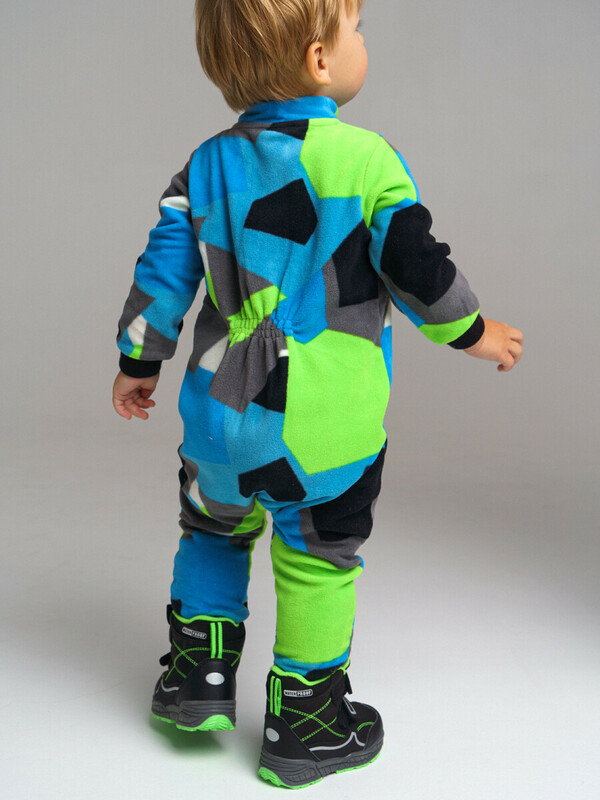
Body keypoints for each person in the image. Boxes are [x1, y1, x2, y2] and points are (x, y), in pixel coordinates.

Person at [112, 0, 523, 788]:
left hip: (218, 419)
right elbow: (418, 266)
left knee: (211, 533)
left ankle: (196, 681)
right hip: (322, 430)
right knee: (317, 559)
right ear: (320, 59)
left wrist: (139, 361)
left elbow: (162, 274)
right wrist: (476, 332)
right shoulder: (367, 159)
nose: (364, 40)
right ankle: (306, 723)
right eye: (357, 29)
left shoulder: (204, 166)